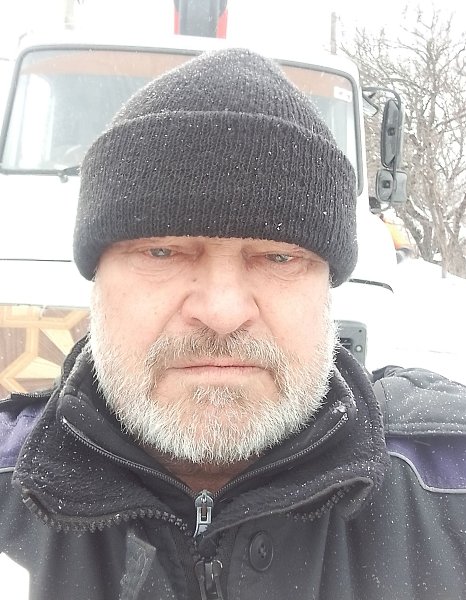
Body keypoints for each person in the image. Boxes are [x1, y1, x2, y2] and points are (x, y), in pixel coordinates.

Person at [1, 48, 466, 600]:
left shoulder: (449, 488)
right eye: (163, 251)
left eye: (278, 257)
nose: (222, 313)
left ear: (327, 288)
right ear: (97, 278)